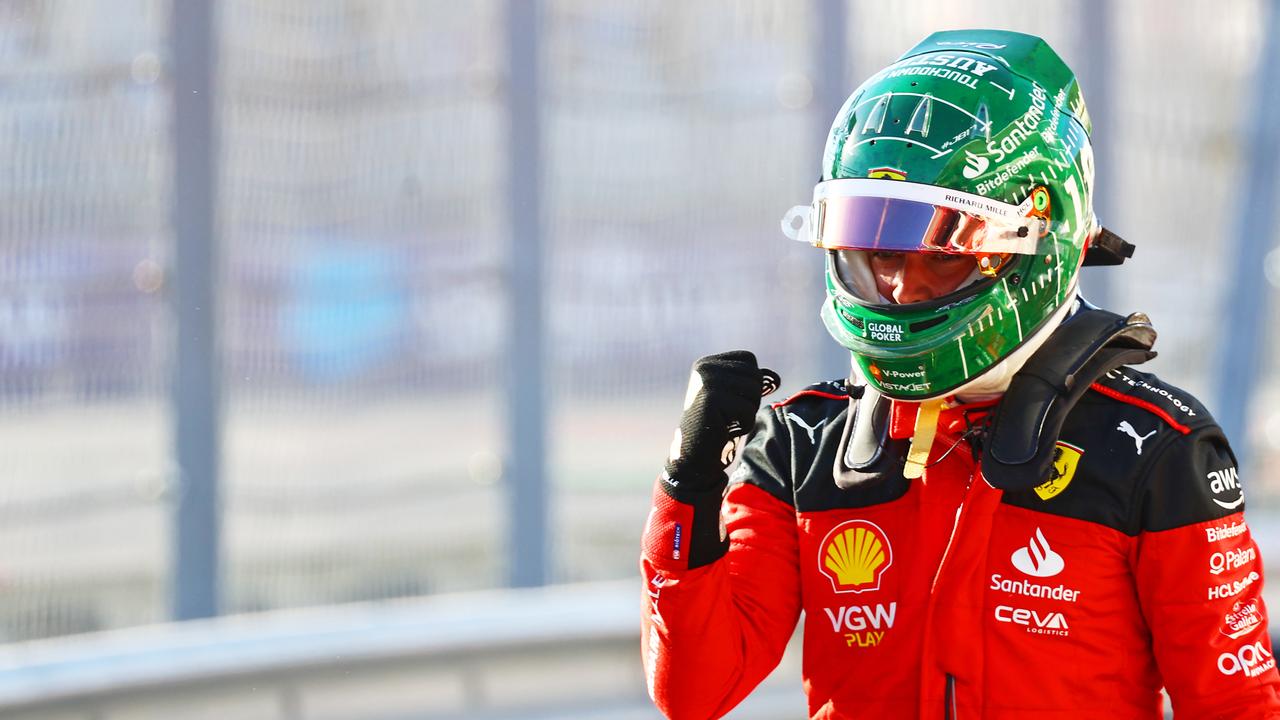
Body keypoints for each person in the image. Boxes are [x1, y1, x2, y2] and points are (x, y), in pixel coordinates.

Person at [640, 29, 1280, 719]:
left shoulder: (1154, 448)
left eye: (940, 254)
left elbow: (1233, 705)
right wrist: (690, 483)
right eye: (877, 252)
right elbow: (693, 692)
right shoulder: (804, 443)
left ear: (1039, 238)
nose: (901, 289)